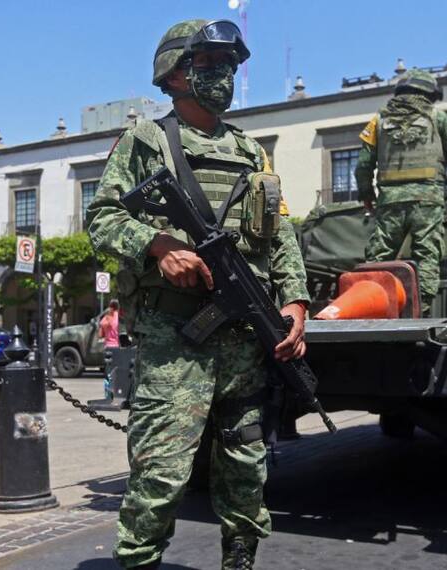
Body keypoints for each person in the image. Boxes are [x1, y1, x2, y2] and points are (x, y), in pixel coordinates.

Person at [86, 19, 310, 569]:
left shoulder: (250, 150)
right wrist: (157, 246)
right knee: (161, 471)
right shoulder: (145, 142)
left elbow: (280, 232)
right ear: (174, 74)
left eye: (229, 65)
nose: (223, 75)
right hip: (175, 339)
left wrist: (296, 301)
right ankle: (138, 560)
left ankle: (240, 559)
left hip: (246, 338)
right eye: (208, 64)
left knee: (246, 464)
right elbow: (101, 218)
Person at [356, 68, 447, 314]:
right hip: (428, 200)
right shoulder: (438, 118)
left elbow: (363, 165)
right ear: (429, 93)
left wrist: (366, 196)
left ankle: (371, 304)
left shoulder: (378, 121)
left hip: (390, 202)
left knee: (379, 256)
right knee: (426, 254)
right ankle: (422, 310)